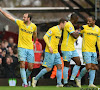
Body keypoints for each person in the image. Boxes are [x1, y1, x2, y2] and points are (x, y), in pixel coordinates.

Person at [0, 8, 37, 87]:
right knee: (22, 65)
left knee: (30, 67)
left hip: (30, 48)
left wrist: (33, 42)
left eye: (24, 17)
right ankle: (25, 83)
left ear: (29, 18)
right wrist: (1, 10)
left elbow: (35, 35)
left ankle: (25, 79)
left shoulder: (34, 26)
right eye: (23, 17)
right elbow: (9, 17)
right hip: (21, 48)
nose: (23, 18)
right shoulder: (20, 23)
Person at [32, 18, 66, 87]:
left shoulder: (61, 31)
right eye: (65, 24)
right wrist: (49, 46)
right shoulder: (53, 29)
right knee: (48, 69)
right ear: (61, 23)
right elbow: (45, 37)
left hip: (56, 52)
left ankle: (59, 83)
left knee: (59, 66)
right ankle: (35, 79)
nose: (66, 26)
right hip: (49, 51)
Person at [75, 16, 100, 88]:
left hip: (93, 51)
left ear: (94, 21)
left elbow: (99, 41)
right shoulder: (84, 27)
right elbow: (76, 34)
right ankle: (78, 78)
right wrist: (77, 31)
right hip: (86, 50)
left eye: (90, 21)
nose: (88, 22)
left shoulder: (98, 29)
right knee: (88, 66)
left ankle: (91, 83)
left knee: (93, 67)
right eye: (87, 21)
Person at [61, 13, 81, 87]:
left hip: (71, 48)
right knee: (66, 65)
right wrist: (79, 31)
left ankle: (72, 80)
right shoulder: (69, 25)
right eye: (77, 19)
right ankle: (65, 83)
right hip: (66, 48)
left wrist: (77, 31)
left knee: (78, 62)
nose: (77, 20)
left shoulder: (71, 25)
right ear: (75, 18)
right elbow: (75, 36)